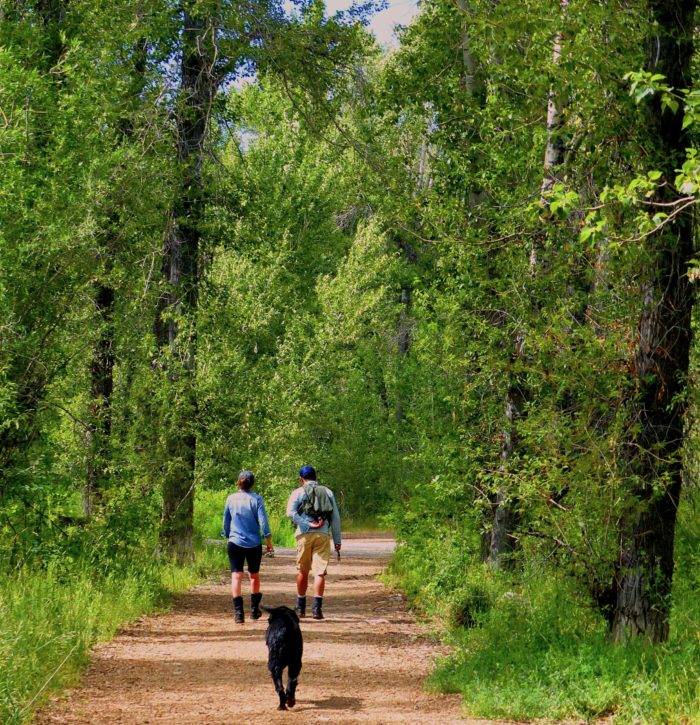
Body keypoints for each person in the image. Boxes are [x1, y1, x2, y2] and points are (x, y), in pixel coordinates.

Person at [286, 465, 341, 620]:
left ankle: (300, 608)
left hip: (304, 535)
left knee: (302, 571)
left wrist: (305, 522)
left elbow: (290, 512)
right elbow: (335, 518)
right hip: (323, 535)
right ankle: (317, 609)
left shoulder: (298, 492)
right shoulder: (328, 492)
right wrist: (337, 541)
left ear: (301, 479)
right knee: (319, 572)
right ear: (316, 477)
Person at [222, 470, 273, 624]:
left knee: (236, 575)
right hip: (254, 543)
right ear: (252, 483)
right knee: (254, 575)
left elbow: (226, 521)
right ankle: (254, 610)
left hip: (234, 542)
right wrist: (268, 542)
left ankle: (238, 613)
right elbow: (264, 523)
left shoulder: (230, 499)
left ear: (238, 482)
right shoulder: (257, 499)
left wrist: (228, 535)